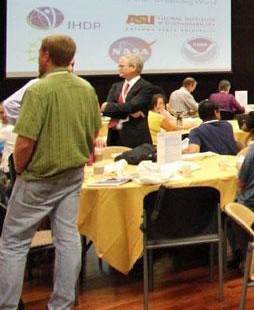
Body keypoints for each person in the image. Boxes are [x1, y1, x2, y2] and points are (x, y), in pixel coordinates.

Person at [0, 34, 101, 308]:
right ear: (72, 58)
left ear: (45, 55)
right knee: (68, 239)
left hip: (38, 177)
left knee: (13, 242)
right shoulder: (86, 89)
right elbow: (95, 131)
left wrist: (21, 169)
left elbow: (25, 141)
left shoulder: (38, 89)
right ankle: (62, 305)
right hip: (72, 175)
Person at [101, 53, 162, 148]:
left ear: (133, 67)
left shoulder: (146, 87)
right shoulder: (116, 86)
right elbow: (107, 111)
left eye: (122, 66)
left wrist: (109, 107)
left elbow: (132, 106)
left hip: (135, 139)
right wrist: (129, 113)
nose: (119, 68)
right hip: (114, 136)